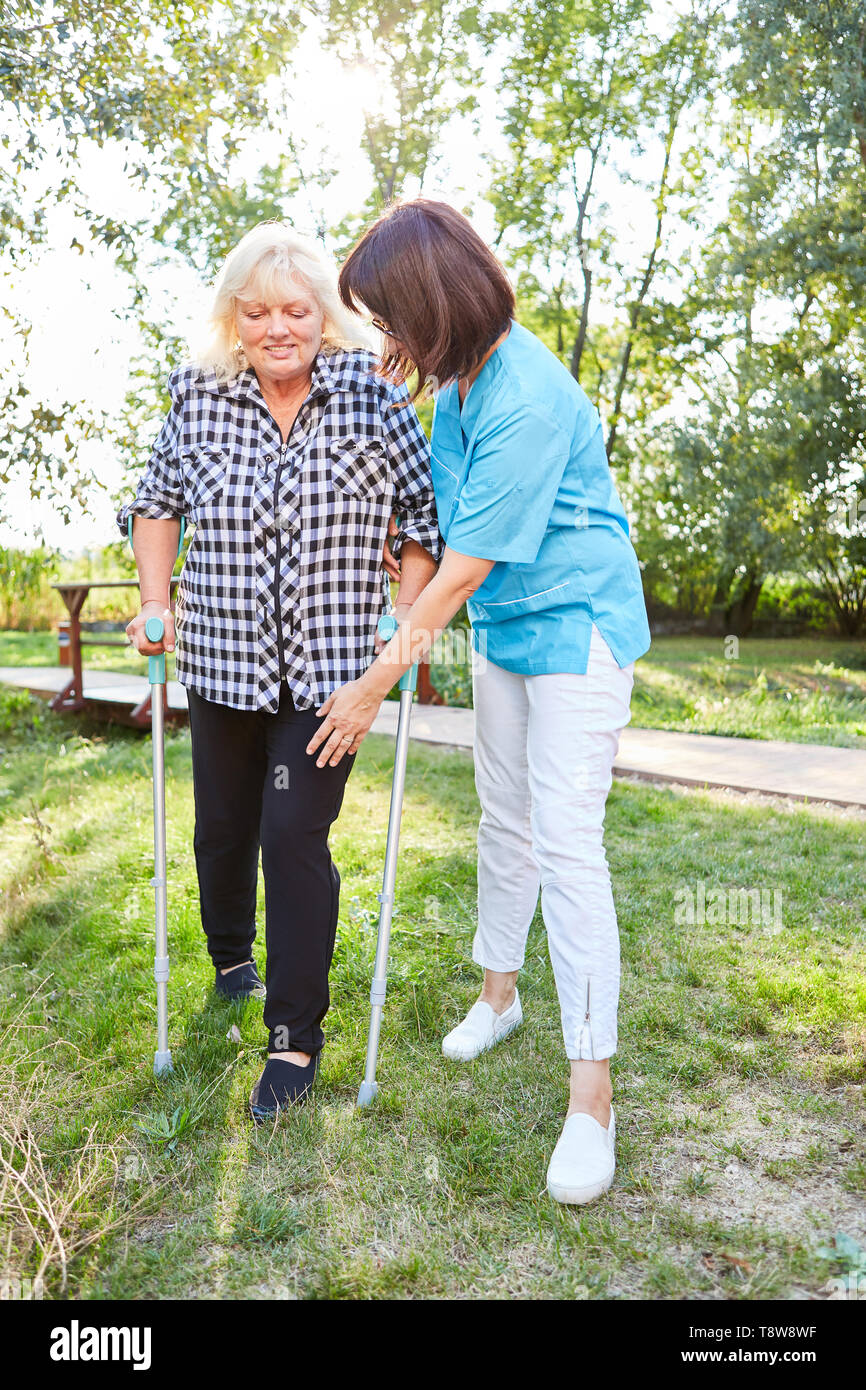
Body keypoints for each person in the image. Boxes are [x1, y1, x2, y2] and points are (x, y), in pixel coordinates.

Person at [307, 199, 651, 1205]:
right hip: (507, 628)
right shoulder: (456, 389)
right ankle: (497, 995)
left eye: (387, 314)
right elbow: (441, 541)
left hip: (576, 626)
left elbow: (454, 576)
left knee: (565, 837)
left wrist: (374, 682)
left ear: (432, 303)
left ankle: (592, 1095)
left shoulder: (527, 400)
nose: (383, 336)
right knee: (505, 820)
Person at [118, 222, 441, 1121]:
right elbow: (155, 505)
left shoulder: (371, 401)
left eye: (296, 310)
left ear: (325, 316)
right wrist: (157, 601)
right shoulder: (199, 395)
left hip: (328, 679)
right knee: (224, 830)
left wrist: (401, 627)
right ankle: (231, 959)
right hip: (221, 660)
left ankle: (294, 1037)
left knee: (291, 835)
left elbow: (422, 523)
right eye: (255, 312)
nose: (276, 328)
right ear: (233, 318)